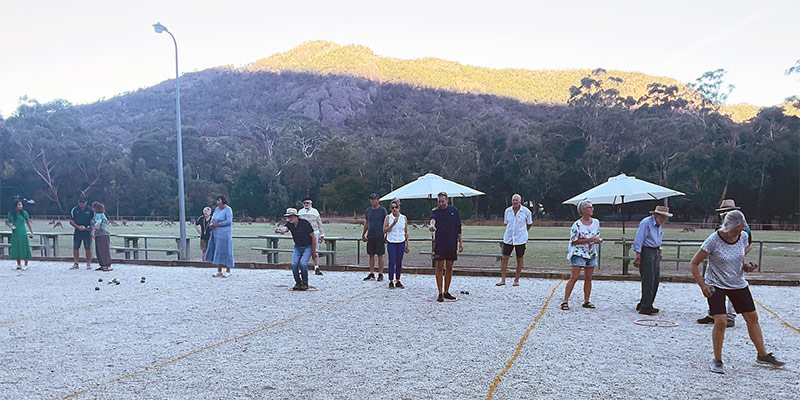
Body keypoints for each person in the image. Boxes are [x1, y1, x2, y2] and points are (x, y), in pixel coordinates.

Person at [689, 210, 785, 374]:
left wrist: (747, 266)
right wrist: (703, 286)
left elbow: (740, 258)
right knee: (721, 321)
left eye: (741, 229)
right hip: (716, 283)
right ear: (727, 227)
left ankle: (762, 355)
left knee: (752, 318)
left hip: (737, 282)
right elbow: (693, 264)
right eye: (736, 230)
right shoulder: (713, 240)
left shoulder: (743, 237)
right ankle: (717, 360)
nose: (739, 233)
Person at [697, 199, 752, 328]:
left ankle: (731, 316)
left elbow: (747, 244)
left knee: (735, 290)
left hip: (734, 273)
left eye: (726, 211)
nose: (723, 214)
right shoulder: (721, 227)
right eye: (722, 212)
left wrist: (740, 258)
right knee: (719, 316)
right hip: (718, 267)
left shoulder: (742, 227)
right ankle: (714, 313)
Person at [561, 200, 600, 310]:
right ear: (583, 210)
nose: (591, 209)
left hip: (591, 253)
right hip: (578, 253)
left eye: (592, 207)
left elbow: (596, 235)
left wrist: (596, 240)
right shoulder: (577, 225)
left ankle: (586, 300)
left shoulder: (596, 222)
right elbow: (574, 241)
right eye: (589, 207)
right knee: (574, 277)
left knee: (588, 278)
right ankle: (565, 301)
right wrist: (589, 240)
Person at [632, 205, 670, 315]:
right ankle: (645, 306)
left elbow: (658, 238)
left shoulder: (658, 226)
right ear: (656, 215)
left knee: (655, 279)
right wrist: (638, 256)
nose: (664, 220)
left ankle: (647, 302)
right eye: (663, 217)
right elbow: (639, 239)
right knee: (648, 279)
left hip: (654, 250)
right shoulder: (646, 223)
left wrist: (659, 250)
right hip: (646, 250)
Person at [429, 192, 463, 302]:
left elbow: (458, 228)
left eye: (443, 201)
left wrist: (461, 242)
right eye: (439, 201)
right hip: (440, 244)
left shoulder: (454, 211)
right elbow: (432, 220)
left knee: (449, 268)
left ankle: (446, 291)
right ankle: (439, 292)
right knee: (439, 267)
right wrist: (432, 225)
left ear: (447, 200)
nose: (441, 203)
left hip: (452, 243)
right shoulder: (435, 211)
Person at [275, 208, 317, 290]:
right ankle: (298, 282)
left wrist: (313, 251)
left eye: (292, 217)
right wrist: (279, 231)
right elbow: (285, 229)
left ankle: (305, 283)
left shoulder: (305, 223)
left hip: (307, 246)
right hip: (298, 246)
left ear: (296, 216)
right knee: (294, 264)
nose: (290, 218)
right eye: (289, 217)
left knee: (303, 264)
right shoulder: (289, 224)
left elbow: (313, 237)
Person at [497, 194, 532, 287]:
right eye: (513, 200)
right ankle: (503, 280)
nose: (515, 202)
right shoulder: (507, 211)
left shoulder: (526, 211)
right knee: (505, 258)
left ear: (520, 201)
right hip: (508, 237)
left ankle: (516, 280)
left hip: (520, 238)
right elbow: (506, 223)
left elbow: (529, 224)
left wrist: (523, 231)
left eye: (516, 200)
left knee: (519, 259)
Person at [382, 199, 409, 289]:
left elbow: (405, 231)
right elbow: (384, 230)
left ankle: (398, 280)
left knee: (399, 262)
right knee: (392, 261)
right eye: (392, 208)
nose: (394, 209)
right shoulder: (388, 218)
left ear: (399, 208)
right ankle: (390, 280)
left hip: (401, 241)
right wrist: (392, 224)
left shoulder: (403, 218)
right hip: (391, 241)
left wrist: (407, 244)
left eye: (396, 207)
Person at [205, 195, 234, 278]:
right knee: (217, 250)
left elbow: (229, 221)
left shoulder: (228, 210)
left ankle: (228, 270)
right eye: (217, 201)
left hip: (225, 234)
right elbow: (213, 218)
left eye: (219, 200)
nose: (217, 202)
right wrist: (212, 224)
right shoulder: (217, 209)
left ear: (223, 201)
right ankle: (219, 270)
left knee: (226, 250)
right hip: (216, 233)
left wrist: (218, 224)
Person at [362, 193, 387, 281]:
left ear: (378, 200)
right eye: (371, 199)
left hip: (380, 235)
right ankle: (371, 272)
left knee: (380, 255)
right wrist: (363, 234)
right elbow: (367, 222)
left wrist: (386, 235)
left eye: (374, 199)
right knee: (371, 254)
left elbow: (386, 222)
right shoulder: (368, 210)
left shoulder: (382, 210)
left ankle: (380, 273)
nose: (372, 201)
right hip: (371, 235)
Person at [298, 197, 325, 276]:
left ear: (311, 204)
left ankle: (316, 267)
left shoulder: (315, 211)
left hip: (314, 232)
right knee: (302, 250)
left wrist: (322, 233)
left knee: (315, 250)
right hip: (304, 233)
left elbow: (319, 223)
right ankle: (302, 268)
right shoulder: (300, 212)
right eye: (305, 203)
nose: (306, 204)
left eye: (308, 203)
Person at [5, 200, 34, 270]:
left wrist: (31, 232)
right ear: (15, 206)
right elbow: (8, 222)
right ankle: (18, 264)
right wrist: (11, 226)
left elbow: (28, 222)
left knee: (24, 247)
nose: (21, 206)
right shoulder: (11, 213)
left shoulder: (24, 213)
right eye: (19, 205)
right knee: (16, 247)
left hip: (22, 232)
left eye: (21, 205)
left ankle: (26, 264)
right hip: (15, 233)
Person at [69, 196, 94, 270]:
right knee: (76, 247)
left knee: (88, 248)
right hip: (78, 231)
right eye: (80, 202)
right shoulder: (74, 210)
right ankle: (76, 263)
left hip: (87, 232)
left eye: (83, 202)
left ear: (86, 202)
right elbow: (71, 221)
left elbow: (94, 220)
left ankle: (88, 264)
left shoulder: (90, 210)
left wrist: (90, 227)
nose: (81, 203)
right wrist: (78, 227)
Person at [91, 202, 112, 272]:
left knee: (104, 250)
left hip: (102, 234)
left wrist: (93, 232)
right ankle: (102, 264)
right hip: (99, 234)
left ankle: (107, 265)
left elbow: (98, 224)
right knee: (99, 250)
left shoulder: (99, 215)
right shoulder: (97, 215)